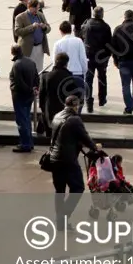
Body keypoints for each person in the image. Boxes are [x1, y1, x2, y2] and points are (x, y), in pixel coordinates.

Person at [49, 95, 101, 228]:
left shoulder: (57, 116)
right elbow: (85, 137)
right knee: (78, 187)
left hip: (54, 158)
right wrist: (96, 148)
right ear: (76, 105)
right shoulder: (75, 120)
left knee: (59, 190)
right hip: (68, 160)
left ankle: (60, 221)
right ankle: (62, 217)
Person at [9, 43, 38, 152]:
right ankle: (29, 143)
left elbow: (19, 82)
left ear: (13, 52)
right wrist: (35, 88)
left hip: (20, 96)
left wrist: (29, 90)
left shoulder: (17, 64)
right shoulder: (30, 61)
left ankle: (25, 144)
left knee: (21, 120)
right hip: (29, 96)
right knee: (26, 118)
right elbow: (36, 77)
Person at [53, 19, 88, 98]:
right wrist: (84, 72)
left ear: (61, 31)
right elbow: (83, 59)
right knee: (79, 100)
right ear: (71, 30)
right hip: (77, 73)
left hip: (63, 75)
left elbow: (55, 62)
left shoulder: (58, 44)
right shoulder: (78, 41)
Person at [14, 0, 50, 74]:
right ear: (29, 7)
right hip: (28, 49)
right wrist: (32, 27)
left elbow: (49, 28)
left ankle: (37, 85)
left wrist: (45, 27)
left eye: (38, 8)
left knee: (39, 69)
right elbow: (17, 32)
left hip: (40, 47)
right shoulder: (20, 17)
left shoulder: (40, 15)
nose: (37, 10)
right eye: (35, 8)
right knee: (28, 71)